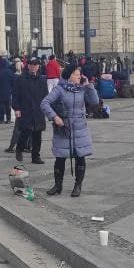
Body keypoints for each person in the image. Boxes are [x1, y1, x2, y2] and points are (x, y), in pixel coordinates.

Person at [41, 63, 101, 197]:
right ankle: (58, 185)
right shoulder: (60, 89)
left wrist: (89, 85)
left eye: (80, 74)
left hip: (80, 128)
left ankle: (78, 185)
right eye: (76, 74)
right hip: (64, 128)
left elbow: (95, 101)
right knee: (60, 157)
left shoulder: (82, 88)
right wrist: (54, 117)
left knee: (80, 156)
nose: (79, 76)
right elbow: (44, 103)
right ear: (69, 76)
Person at [12, 55, 48, 165]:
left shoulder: (42, 79)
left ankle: (36, 156)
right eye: (31, 65)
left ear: (38, 66)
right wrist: (17, 108)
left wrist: (47, 109)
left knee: (37, 135)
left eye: (35, 65)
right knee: (25, 132)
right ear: (27, 66)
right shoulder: (21, 79)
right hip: (26, 110)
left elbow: (46, 95)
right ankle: (19, 148)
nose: (33, 67)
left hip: (38, 111)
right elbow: (15, 95)